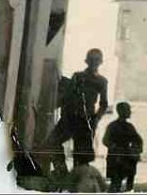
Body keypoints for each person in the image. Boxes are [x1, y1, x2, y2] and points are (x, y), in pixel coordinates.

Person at [44, 48, 108, 177]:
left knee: (81, 157)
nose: (94, 62)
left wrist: (95, 119)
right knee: (52, 142)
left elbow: (104, 104)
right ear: (87, 61)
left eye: (96, 60)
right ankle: (62, 172)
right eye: (92, 59)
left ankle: (76, 183)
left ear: (100, 62)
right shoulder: (78, 76)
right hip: (70, 118)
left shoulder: (102, 81)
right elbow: (68, 96)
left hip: (86, 121)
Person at [102, 102, 143, 192]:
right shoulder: (113, 126)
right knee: (115, 183)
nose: (130, 112)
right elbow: (105, 140)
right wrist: (114, 147)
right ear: (121, 111)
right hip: (116, 158)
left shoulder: (129, 127)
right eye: (128, 110)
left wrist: (136, 149)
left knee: (129, 183)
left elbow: (138, 140)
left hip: (127, 158)